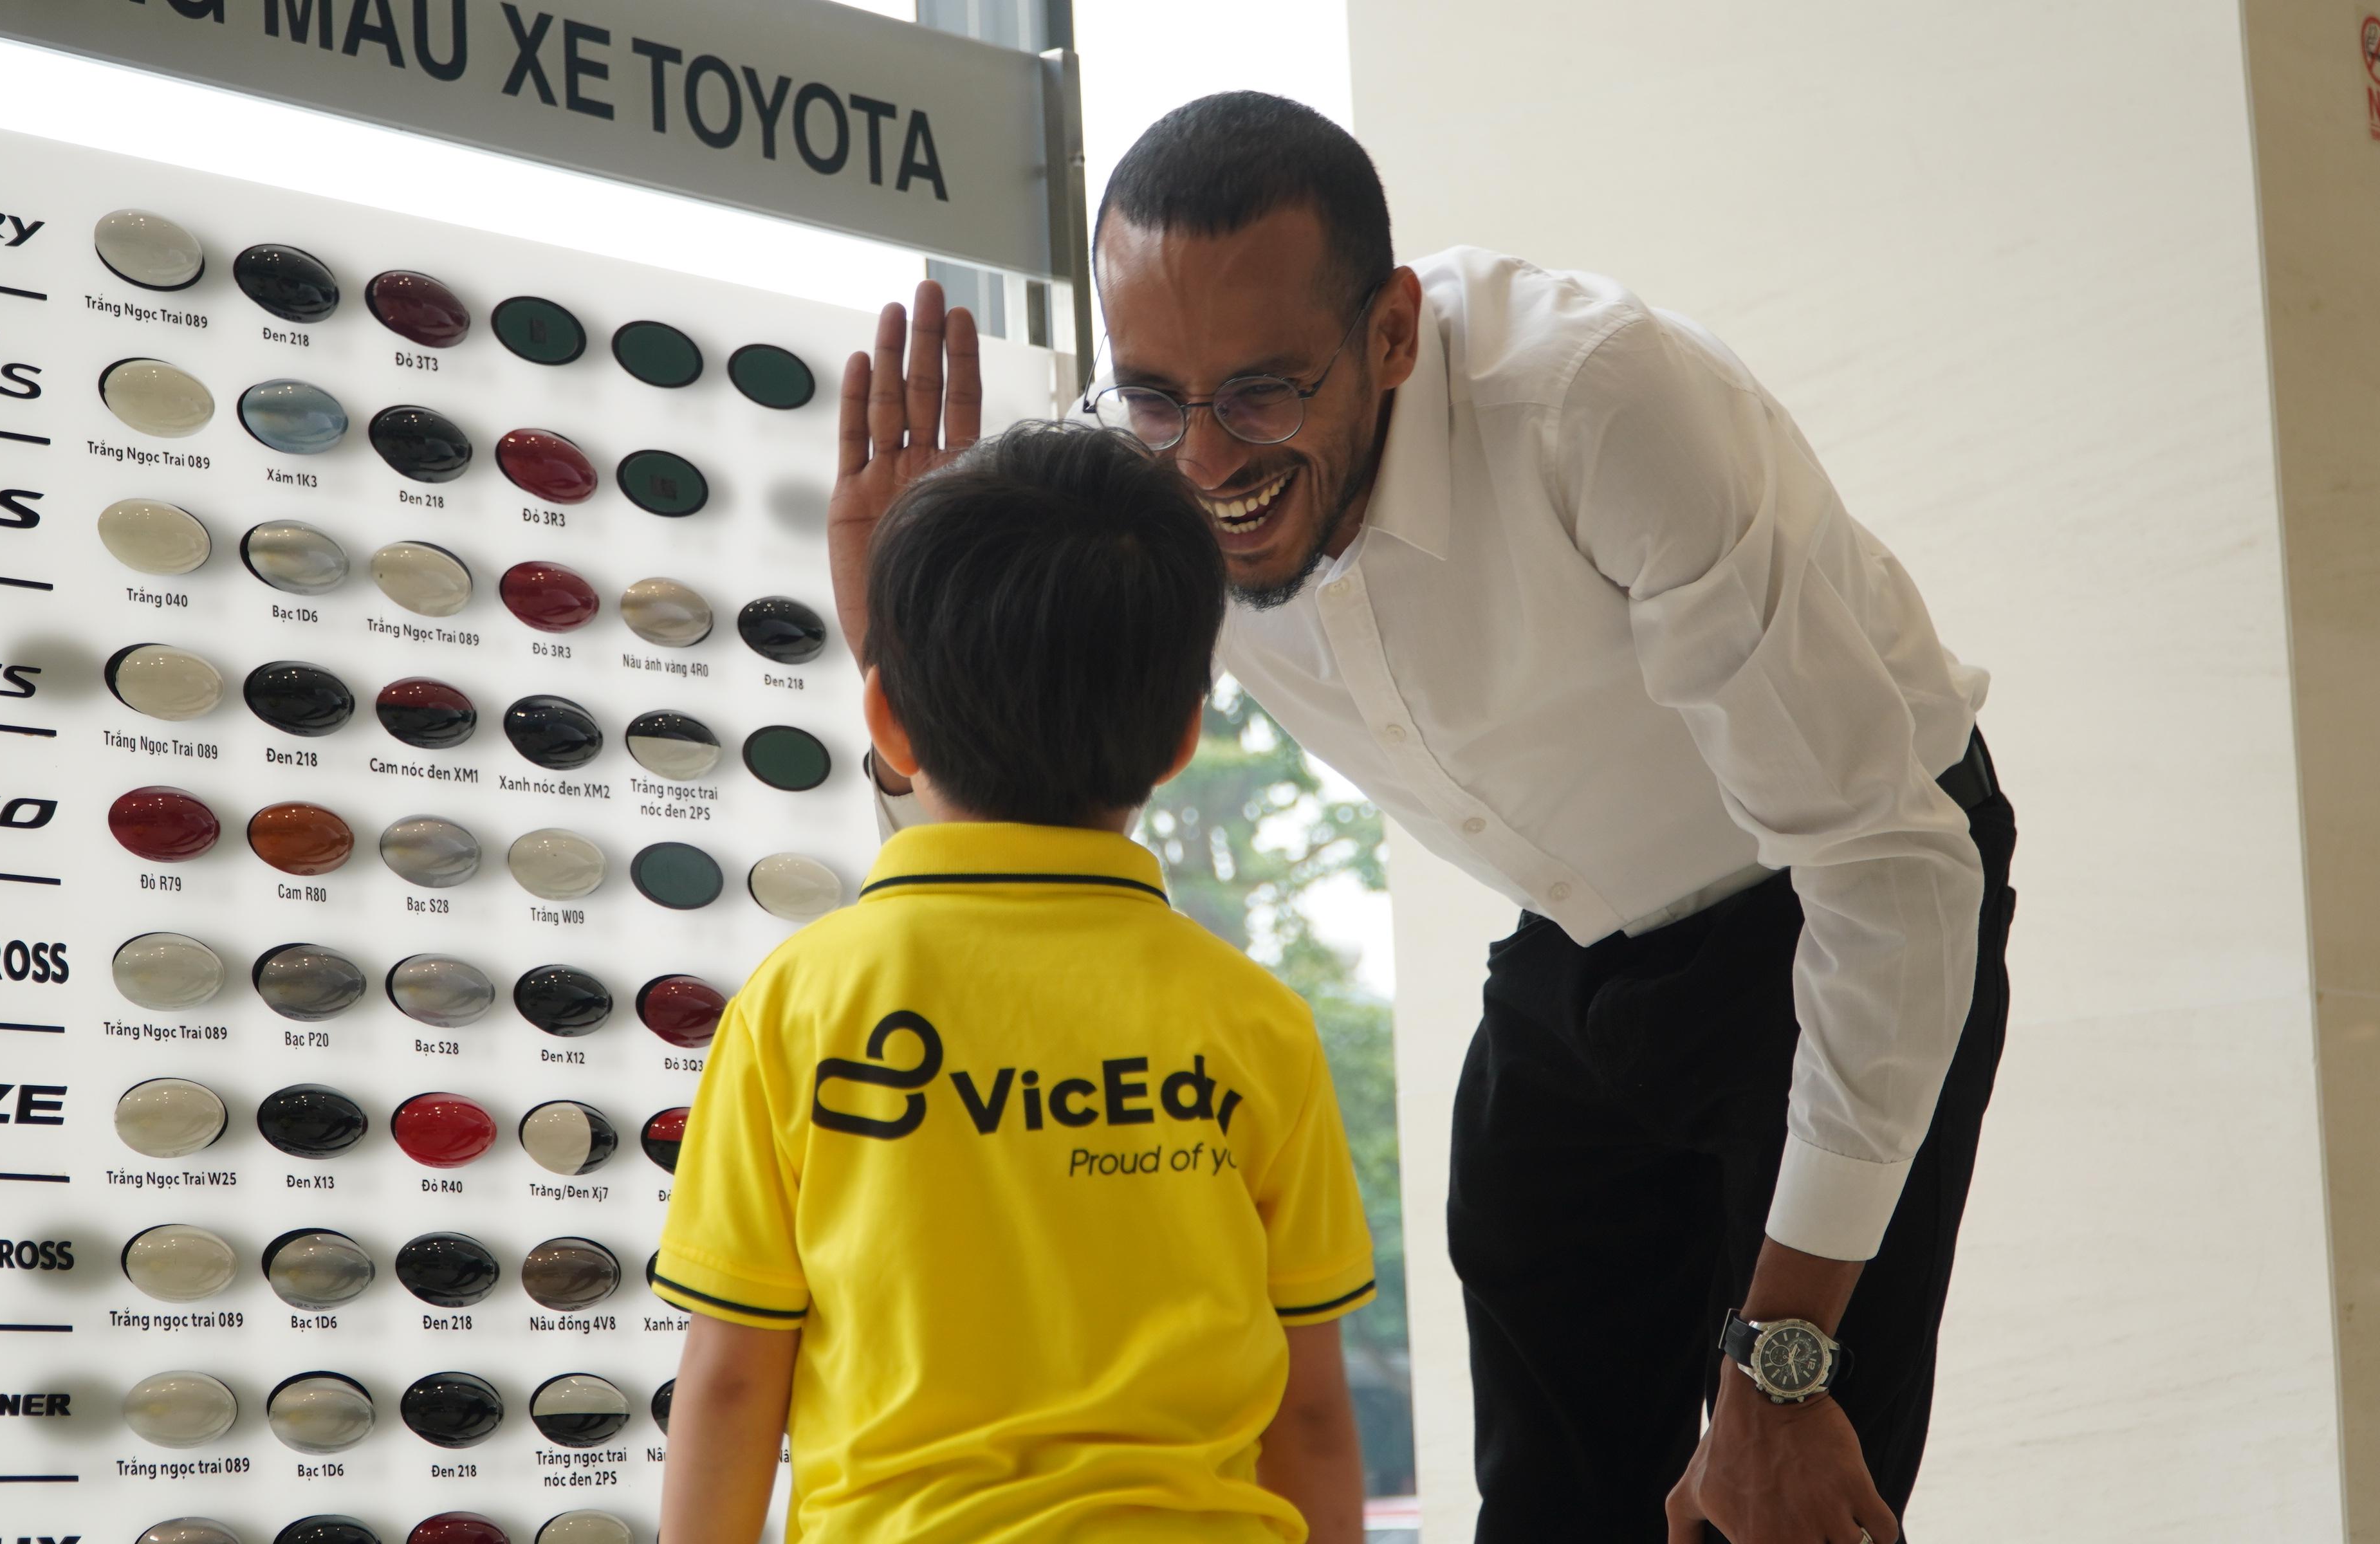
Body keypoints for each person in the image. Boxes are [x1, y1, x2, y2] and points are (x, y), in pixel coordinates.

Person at [828, 93, 2017, 1544]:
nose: (1204, 461)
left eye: (1261, 393)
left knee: (1777, 1500)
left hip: (1846, 904)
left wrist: (1782, 1367)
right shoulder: (1134, 482)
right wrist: (914, 662)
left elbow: (1887, 867)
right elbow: (1020, 831)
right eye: (1152, 396)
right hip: (1578, 939)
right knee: (1548, 1501)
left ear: (1391, 333)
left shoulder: (1598, 404)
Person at [654, 421, 1378, 1544]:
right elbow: (1314, 1413)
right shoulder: (1255, 1022)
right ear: (1183, 736)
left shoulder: (799, 1005)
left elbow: (735, 1379)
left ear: (885, 720)